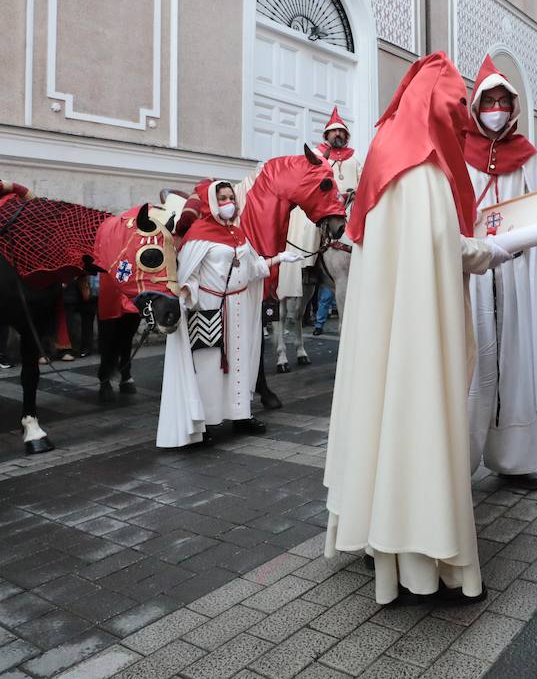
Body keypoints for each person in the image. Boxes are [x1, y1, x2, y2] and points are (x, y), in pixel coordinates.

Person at [323, 52, 514, 606]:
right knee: (417, 420)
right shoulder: (424, 169)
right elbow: (441, 246)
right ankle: (426, 558)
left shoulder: (384, 153)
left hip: (383, 329)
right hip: (415, 333)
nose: (460, 124)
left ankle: (375, 536)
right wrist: (493, 250)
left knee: (378, 415)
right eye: (456, 111)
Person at [463, 57, 537, 491]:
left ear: (514, 107)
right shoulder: (458, 149)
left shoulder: (527, 154)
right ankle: (459, 461)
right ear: (475, 106)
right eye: (488, 101)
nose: (496, 109)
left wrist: (524, 242)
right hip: (470, 267)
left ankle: (517, 460)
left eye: (503, 102)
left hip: (515, 270)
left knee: (516, 360)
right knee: (473, 362)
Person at [157, 179, 301, 448]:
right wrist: (185, 295)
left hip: (239, 308)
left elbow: (252, 269)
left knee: (240, 362)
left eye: (231, 197)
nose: (228, 203)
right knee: (209, 366)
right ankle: (205, 423)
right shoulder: (199, 234)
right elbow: (189, 274)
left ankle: (240, 415)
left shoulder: (238, 232)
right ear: (212, 202)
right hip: (210, 308)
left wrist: (280, 258)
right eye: (222, 198)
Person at [313, 108, 363, 334]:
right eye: (333, 132)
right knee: (308, 229)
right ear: (327, 135)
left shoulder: (356, 157)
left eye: (341, 131)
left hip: (352, 205)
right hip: (328, 206)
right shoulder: (319, 156)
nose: (337, 135)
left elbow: (364, 180)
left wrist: (355, 192)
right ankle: (307, 266)